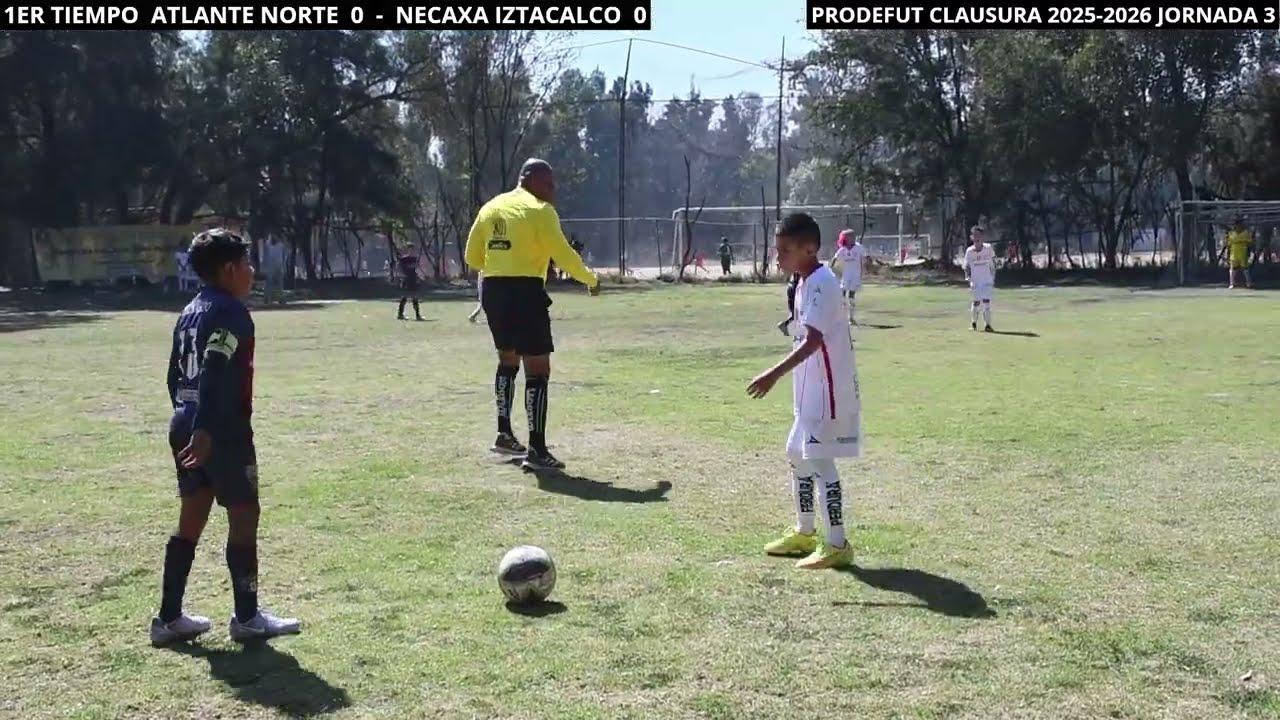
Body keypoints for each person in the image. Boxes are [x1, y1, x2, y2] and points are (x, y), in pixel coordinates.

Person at [152, 228, 300, 646]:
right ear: (231, 269)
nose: (251, 272)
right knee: (244, 514)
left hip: (184, 421)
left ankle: (168, 618)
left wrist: (187, 418)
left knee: (192, 517)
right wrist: (206, 427)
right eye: (248, 264)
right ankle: (248, 617)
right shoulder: (231, 311)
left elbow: (172, 374)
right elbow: (216, 366)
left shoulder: (189, 311)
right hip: (220, 430)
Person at [464, 158, 600, 471]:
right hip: (524, 290)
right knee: (537, 369)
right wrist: (591, 279)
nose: (554, 190)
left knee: (507, 360)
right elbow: (563, 254)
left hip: (493, 291)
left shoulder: (490, 208)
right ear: (529, 179)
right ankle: (537, 450)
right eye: (549, 183)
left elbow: (473, 257)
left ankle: (504, 434)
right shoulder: (540, 211)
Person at [747, 213, 858, 570]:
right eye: (777, 250)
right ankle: (805, 532)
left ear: (810, 248)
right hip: (808, 389)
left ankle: (837, 543)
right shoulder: (804, 281)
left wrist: (772, 373)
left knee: (820, 460)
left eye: (785, 250)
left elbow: (813, 341)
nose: (778, 257)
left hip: (827, 390)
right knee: (796, 452)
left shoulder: (824, 281)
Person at [963, 225, 996, 332]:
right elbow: (966, 266)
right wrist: (968, 277)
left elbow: (993, 262)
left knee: (986, 302)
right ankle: (973, 324)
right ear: (971, 237)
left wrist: (993, 276)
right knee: (976, 302)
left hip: (987, 280)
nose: (977, 238)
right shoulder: (969, 251)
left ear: (982, 237)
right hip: (975, 281)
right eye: (975, 235)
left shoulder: (988, 248)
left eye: (979, 235)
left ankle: (988, 325)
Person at [831, 230, 867, 325]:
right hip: (845, 276)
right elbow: (834, 260)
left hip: (855, 276)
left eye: (853, 236)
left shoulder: (859, 248)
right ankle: (840, 317)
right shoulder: (842, 249)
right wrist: (831, 270)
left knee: (851, 296)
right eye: (850, 237)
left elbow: (865, 258)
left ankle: (851, 318)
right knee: (842, 296)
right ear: (845, 238)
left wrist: (866, 268)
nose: (853, 238)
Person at [1225, 216, 1253, 289]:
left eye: (1239, 224)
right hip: (1234, 252)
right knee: (1232, 268)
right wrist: (1227, 254)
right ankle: (1231, 283)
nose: (1237, 226)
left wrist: (1249, 252)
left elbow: (1250, 243)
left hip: (1243, 252)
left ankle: (1248, 283)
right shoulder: (1231, 233)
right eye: (1235, 224)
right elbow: (1228, 245)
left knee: (1245, 268)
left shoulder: (1245, 233)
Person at [396, 251, 424, 321]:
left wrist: (419, 276)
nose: (412, 251)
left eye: (413, 249)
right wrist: (401, 275)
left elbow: (417, 267)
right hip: (406, 279)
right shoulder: (404, 259)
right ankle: (400, 314)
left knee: (414, 297)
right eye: (410, 249)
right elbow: (399, 267)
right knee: (405, 297)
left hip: (413, 279)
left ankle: (417, 315)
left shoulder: (414, 258)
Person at [261, 235, 288, 304]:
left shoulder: (281, 245)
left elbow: (284, 255)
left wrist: (284, 266)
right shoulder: (267, 245)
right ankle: (267, 298)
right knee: (269, 283)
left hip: (279, 266)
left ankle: (280, 298)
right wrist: (264, 266)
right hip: (270, 266)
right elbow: (265, 255)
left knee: (280, 284)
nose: (274, 238)